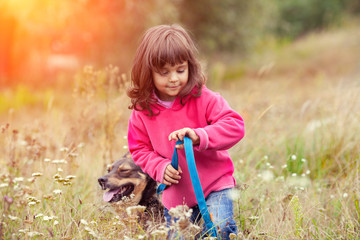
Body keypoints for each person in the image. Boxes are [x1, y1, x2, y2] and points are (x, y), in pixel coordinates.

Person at [127, 24, 245, 239]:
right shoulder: (143, 111)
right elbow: (139, 149)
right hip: (177, 196)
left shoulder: (204, 97)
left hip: (216, 185)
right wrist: (160, 167)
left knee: (221, 227)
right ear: (147, 72)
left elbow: (235, 125)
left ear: (190, 66)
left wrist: (200, 135)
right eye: (164, 72)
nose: (174, 78)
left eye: (180, 70)